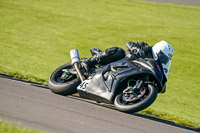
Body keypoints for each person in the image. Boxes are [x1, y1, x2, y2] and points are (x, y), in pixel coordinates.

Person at [82, 40, 173, 79]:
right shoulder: (145, 47)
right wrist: (136, 49)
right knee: (118, 51)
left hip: (128, 72)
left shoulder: (154, 66)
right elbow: (129, 43)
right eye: (162, 57)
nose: (163, 60)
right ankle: (89, 62)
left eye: (165, 60)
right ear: (158, 50)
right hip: (121, 61)